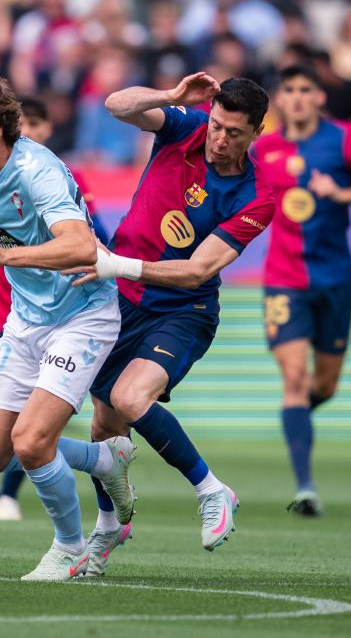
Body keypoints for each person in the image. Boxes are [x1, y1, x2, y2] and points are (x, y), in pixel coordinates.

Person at [62, 72, 274, 577]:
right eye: (217, 125)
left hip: (183, 311)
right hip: (120, 302)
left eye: (234, 133)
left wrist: (115, 264)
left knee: (130, 398)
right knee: (104, 427)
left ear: (257, 132)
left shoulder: (257, 194)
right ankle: (110, 525)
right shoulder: (185, 127)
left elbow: (198, 270)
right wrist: (170, 96)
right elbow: (116, 104)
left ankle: (211, 490)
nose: (219, 139)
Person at [0, 69, 134, 581]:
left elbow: (82, 246)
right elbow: (3, 229)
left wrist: (3, 256)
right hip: (26, 319)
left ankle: (71, 548)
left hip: (82, 316)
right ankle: (104, 460)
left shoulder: (36, 170)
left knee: (30, 442)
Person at [253, 64, 351, 516]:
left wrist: (342, 194)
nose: (297, 97)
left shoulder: (345, 140)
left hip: (335, 277)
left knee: (326, 386)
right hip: (283, 278)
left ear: (319, 97)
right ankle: (306, 487)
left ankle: (295, 418)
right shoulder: (263, 149)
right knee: (295, 379)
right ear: (280, 99)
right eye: (289, 90)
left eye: (306, 90)